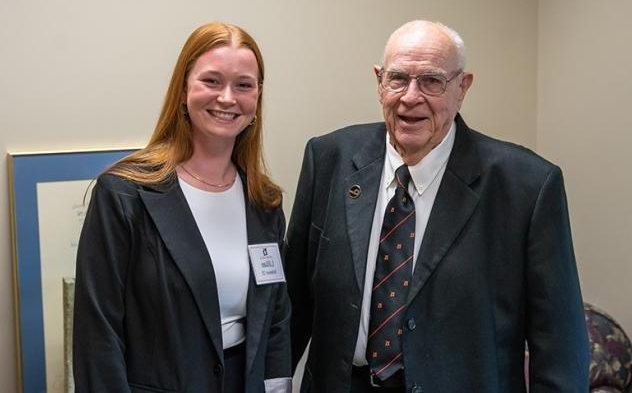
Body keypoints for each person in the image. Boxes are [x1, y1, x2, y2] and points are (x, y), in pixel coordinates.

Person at [285, 20, 588, 392]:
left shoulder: (527, 187)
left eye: (431, 81)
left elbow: (559, 344)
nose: (410, 97)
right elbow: (292, 307)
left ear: (463, 87)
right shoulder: (329, 158)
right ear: (380, 83)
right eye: (397, 79)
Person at [73, 22, 291, 392]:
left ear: (257, 99)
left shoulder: (264, 202)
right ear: (182, 90)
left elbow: (275, 322)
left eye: (243, 85)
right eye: (211, 81)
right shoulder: (125, 195)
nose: (227, 98)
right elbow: (98, 334)